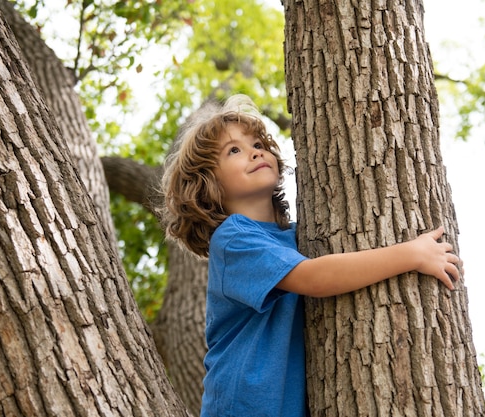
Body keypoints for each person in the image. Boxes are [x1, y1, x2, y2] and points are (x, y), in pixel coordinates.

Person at [161, 94, 461, 417]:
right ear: (208, 186)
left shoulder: (296, 236)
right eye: (234, 150)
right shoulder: (233, 239)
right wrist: (411, 254)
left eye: (258, 143)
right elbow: (315, 277)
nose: (255, 151)